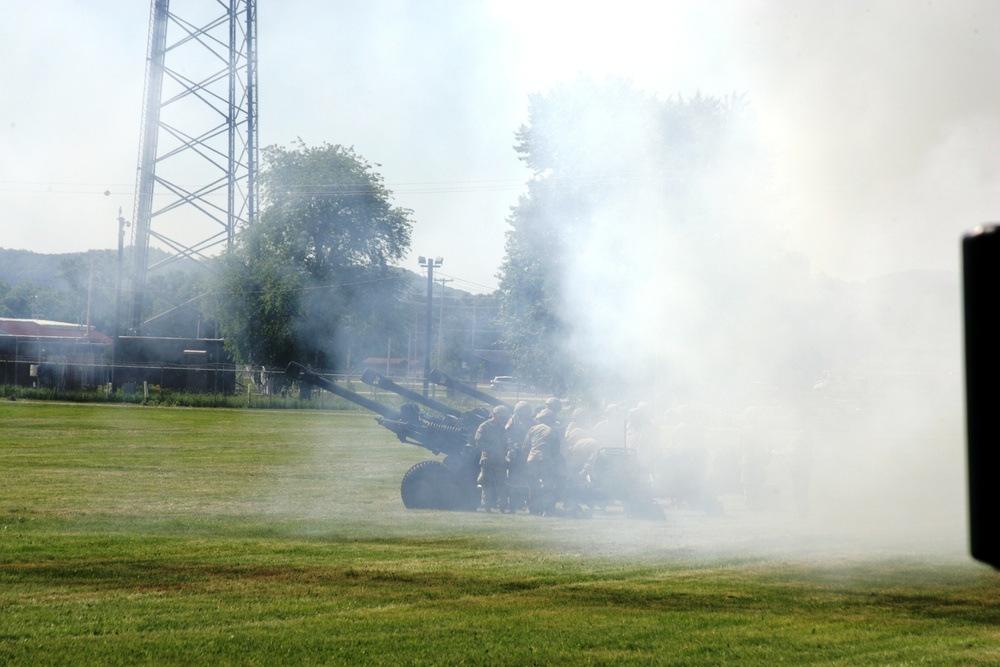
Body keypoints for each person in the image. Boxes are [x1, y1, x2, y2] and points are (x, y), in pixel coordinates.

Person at [524, 408, 564, 516]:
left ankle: (533, 510)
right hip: (546, 461)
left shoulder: (532, 429)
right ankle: (547, 510)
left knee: (533, 486)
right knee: (548, 486)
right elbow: (556, 450)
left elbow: (526, 446)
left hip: (532, 460)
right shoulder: (553, 430)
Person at [475, 405, 512, 513]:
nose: (504, 419)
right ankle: (487, 506)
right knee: (487, 483)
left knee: (502, 483)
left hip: (500, 460)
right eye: (502, 416)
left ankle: (502, 507)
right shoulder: (485, 426)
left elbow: (506, 443)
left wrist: (508, 450)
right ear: (495, 415)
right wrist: (494, 450)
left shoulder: (502, 427)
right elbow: (479, 442)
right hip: (488, 459)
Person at [504, 401, 534, 512]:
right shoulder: (512, 422)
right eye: (519, 414)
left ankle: (530, 506)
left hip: (527, 457)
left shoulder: (532, 424)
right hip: (515, 456)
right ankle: (512, 506)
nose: (521, 417)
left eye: (524, 414)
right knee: (513, 482)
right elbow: (507, 436)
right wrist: (510, 448)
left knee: (529, 481)